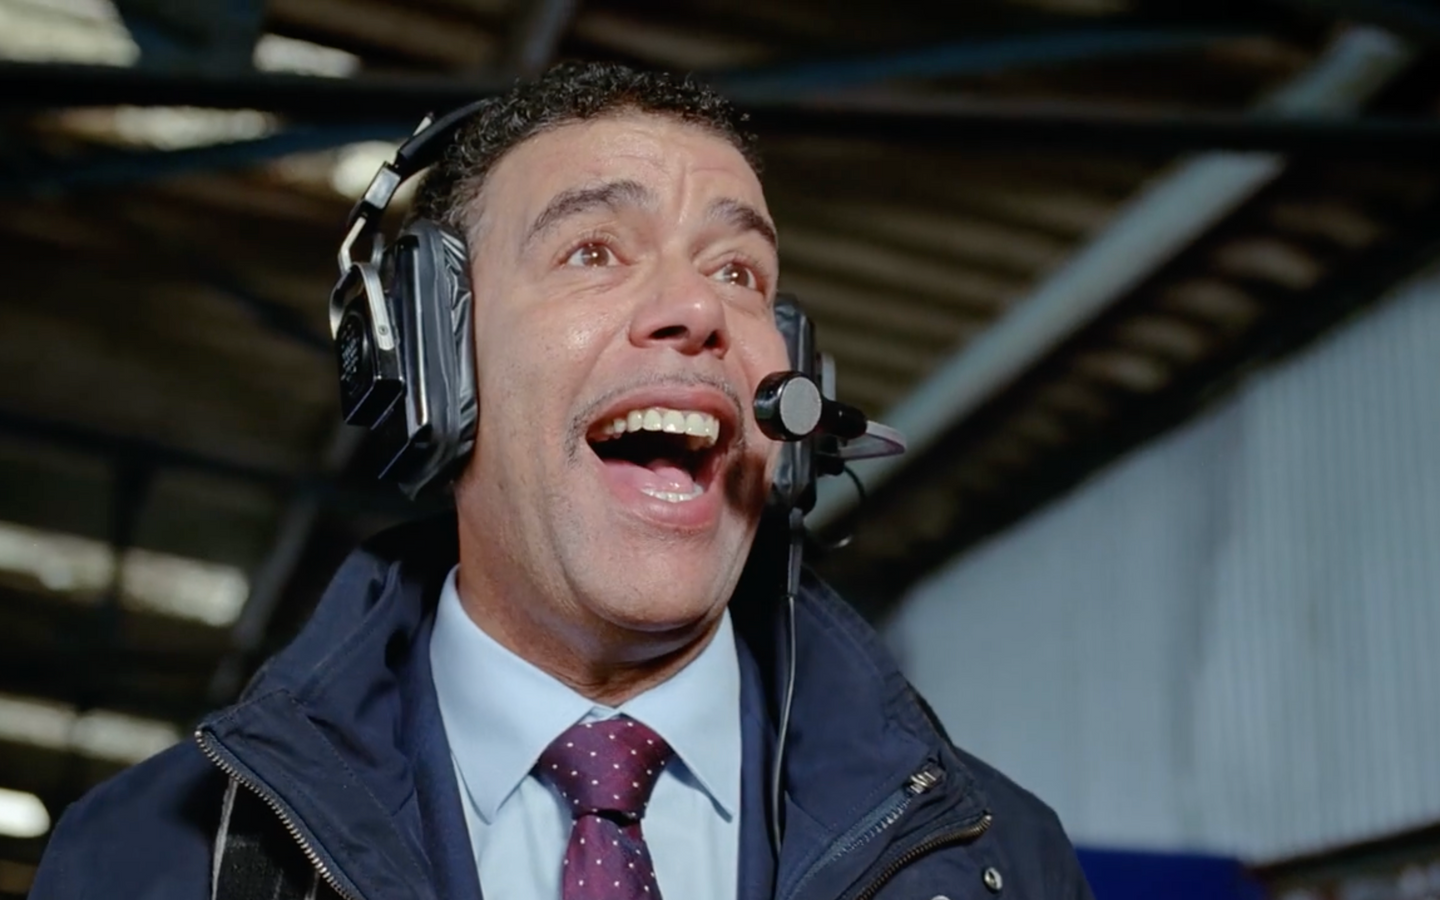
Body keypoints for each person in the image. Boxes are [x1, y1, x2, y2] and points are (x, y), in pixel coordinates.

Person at [30, 61, 1094, 900]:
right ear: (432, 363)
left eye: (738, 271)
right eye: (593, 251)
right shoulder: (154, 859)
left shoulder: (1002, 859)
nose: (699, 310)